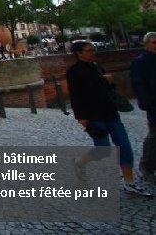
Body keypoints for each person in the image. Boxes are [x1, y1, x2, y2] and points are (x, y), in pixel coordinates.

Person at [66, 40, 151, 197]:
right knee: (103, 150)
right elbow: (75, 96)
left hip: (110, 112)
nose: (93, 52)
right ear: (80, 53)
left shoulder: (97, 66)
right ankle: (80, 161)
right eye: (89, 50)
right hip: (93, 115)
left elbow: (107, 90)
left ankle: (129, 183)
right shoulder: (74, 71)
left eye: (93, 49)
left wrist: (110, 82)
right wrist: (81, 117)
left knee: (124, 146)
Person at [131, 31, 156, 183]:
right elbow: (138, 85)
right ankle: (146, 166)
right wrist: (146, 103)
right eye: (154, 42)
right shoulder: (140, 61)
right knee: (154, 136)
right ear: (146, 44)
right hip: (154, 104)